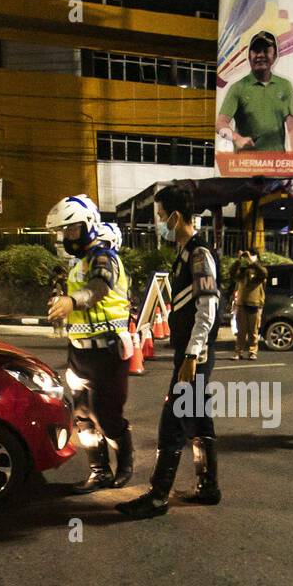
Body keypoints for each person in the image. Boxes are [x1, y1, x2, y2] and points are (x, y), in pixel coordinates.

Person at [117, 186, 222, 519]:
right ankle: (209, 488)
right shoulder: (185, 253)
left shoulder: (199, 254)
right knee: (198, 419)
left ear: (176, 217)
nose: (160, 223)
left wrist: (191, 355)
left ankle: (157, 496)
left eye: (162, 217)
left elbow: (208, 308)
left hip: (196, 355)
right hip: (192, 354)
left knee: (173, 422)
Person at [44, 194, 135, 493]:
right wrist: (62, 307)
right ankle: (99, 471)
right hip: (80, 353)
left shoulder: (103, 256)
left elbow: (98, 288)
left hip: (108, 352)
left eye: (72, 229)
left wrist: (72, 300)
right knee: (82, 417)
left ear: (89, 225)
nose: (67, 236)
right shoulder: (78, 263)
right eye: (64, 231)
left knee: (108, 417)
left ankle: (124, 466)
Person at [217, 31, 293, 153]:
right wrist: (237, 138)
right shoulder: (238, 87)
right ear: (249, 56)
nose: (260, 55)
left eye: (266, 51)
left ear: (275, 55)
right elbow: (220, 124)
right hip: (245, 167)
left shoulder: (285, 86)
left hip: (276, 167)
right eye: (256, 51)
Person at [229, 249, 267, 360]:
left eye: (253, 255)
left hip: (255, 304)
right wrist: (239, 260)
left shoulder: (259, 270)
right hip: (242, 304)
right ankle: (238, 352)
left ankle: (252, 352)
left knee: (253, 331)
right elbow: (232, 273)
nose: (249, 257)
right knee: (241, 331)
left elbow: (264, 273)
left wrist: (252, 261)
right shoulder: (242, 271)